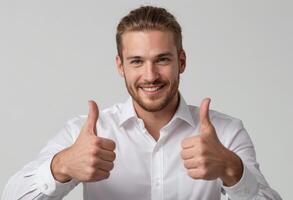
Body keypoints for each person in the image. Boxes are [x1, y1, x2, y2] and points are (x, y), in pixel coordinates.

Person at [2, 5, 282, 200]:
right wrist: (60, 166)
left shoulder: (226, 132)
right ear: (120, 66)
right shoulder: (88, 135)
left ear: (181, 61)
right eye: (137, 61)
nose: (150, 76)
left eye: (162, 59)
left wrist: (232, 170)